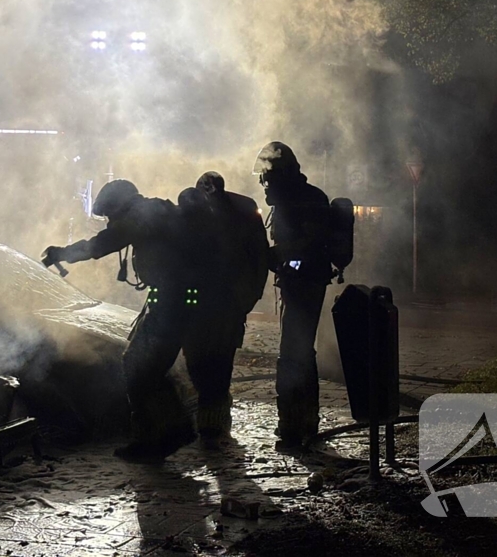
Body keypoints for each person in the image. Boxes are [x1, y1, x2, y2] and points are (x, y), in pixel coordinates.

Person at [41, 179, 196, 462]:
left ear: (119, 206)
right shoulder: (155, 211)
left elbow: (103, 243)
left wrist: (63, 253)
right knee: (144, 364)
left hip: (174, 300)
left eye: (110, 215)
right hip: (176, 297)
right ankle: (170, 429)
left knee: (139, 364)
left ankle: (157, 436)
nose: (110, 221)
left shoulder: (140, 216)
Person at [253, 142, 332, 449]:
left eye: (268, 179)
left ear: (284, 176)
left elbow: (303, 247)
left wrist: (269, 257)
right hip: (298, 282)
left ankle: (292, 427)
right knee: (300, 353)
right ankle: (304, 421)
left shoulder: (306, 201)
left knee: (292, 355)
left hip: (304, 283)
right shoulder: (294, 201)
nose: (265, 186)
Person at [188, 172, 269, 446]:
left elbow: (258, 257)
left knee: (220, 363)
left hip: (227, 302)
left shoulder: (242, 211)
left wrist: (248, 297)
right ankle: (211, 418)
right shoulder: (193, 211)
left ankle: (213, 423)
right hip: (203, 302)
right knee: (199, 362)